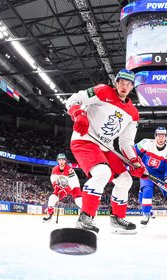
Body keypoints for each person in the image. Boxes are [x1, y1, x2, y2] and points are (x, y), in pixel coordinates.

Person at [65, 69, 146, 234]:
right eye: (121, 82)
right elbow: (74, 100)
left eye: (128, 84)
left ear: (132, 87)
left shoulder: (133, 114)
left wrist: (135, 161)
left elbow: (126, 142)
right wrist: (78, 113)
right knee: (102, 172)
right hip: (84, 140)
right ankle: (85, 218)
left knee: (125, 180)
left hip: (106, 146)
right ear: (116, 83)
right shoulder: (102, 91)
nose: (124, 86)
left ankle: (116, 219)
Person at [135, 127, 167, 226]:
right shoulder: (146, 143)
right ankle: (146, 214)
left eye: (163, 136)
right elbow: (133, 151)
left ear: (166, 137)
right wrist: (136, 163)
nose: (161, 138)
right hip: (146, 173)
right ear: (155, 136)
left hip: (161, 176)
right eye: (159, 136)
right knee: (147, 190)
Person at [42, 153, 82, 222]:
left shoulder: (70, 170)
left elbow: (73, 181)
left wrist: (67, 189)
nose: (61, 162)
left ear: (65, 161)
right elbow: (53, 179)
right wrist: (55, 185)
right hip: (61, 186)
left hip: (73, 187)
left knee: (78, 200)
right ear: (57, 161)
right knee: (52, 198)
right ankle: (50, 214)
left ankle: (85, 214)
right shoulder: (54, 169)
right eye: (60, 160)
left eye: (63, 160)